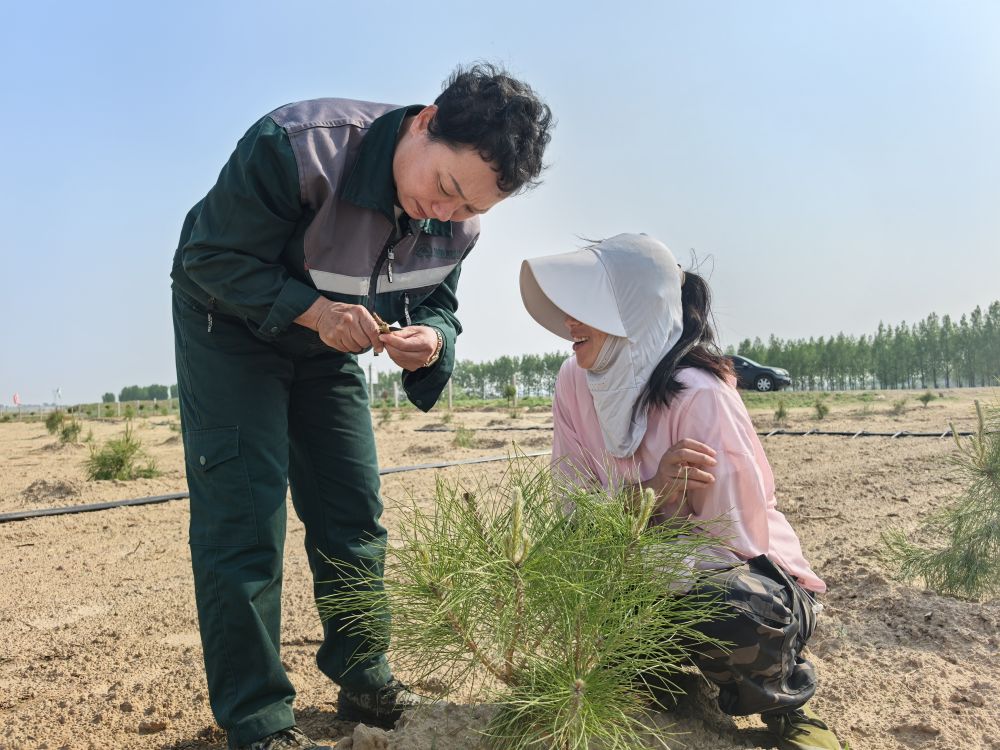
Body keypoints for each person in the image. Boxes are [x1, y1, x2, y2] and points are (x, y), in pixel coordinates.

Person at [171, 64, 552, 750]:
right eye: (445, 188)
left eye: (470, 208)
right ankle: (258, 719)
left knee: (352, 509)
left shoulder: (458, 221)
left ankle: (364, 678)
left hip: (331, 342)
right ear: (426, 122)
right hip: (229, 327)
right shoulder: (298, 147)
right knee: (245, 515)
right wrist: (316, 312)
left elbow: (438, 303)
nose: (445, 214)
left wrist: (433, 339)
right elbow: (210, 257)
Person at [519, 233, 844, 750]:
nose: (569, 323)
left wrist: (638, 545)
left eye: (587, 308)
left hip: (756, 584)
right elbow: (572, 508)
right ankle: (658, 675)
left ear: (635, 311)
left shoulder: (700, 396)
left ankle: (789, 708)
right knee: (557, 566)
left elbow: (736, 545)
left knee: (734, 607)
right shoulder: (573, 382)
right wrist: (652, 493)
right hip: (646, 570)